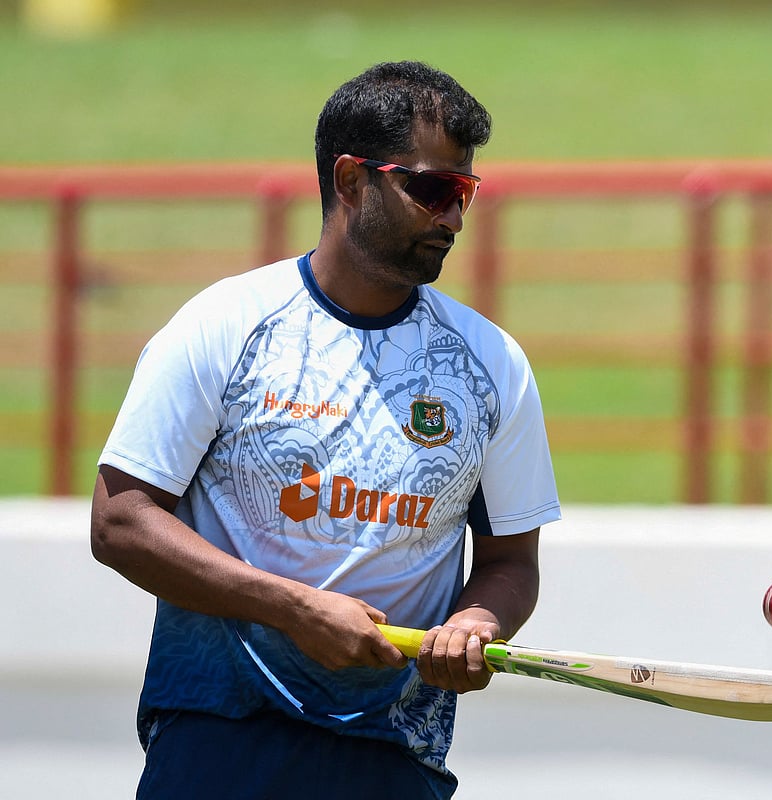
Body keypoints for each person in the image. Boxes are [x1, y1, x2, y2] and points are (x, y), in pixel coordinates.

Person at [90, 61, 560, 799]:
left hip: (394, 756)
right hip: (218, 740)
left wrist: (476, 623)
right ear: (351, 181)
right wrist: (294, 608)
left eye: (465, 193)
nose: (454, 219)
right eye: (433, 189)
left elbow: (511, 562)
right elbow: (119, 522)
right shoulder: (225, 325)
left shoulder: (492, 364)